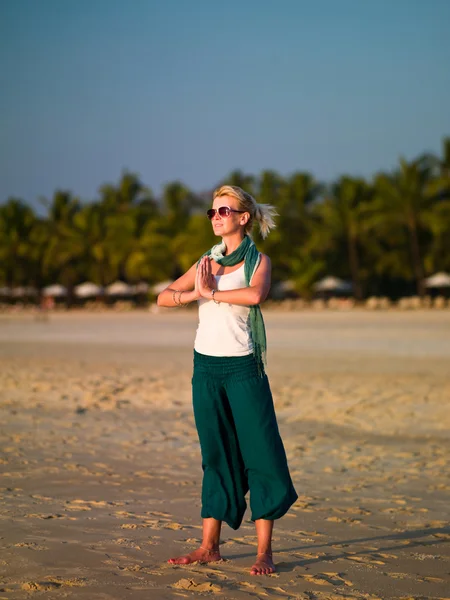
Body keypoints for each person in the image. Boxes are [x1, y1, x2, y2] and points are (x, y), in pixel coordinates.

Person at [157, 185, 298, 575]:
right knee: (215, 455)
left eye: (224, 210)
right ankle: (209, 547)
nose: (216, 216)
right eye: (212, 211)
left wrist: (212, 292)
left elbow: (256, 296)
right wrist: (193, 294)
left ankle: (264, 552)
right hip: (206, 369)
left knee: (260, 454)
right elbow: (163, 297)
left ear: (243, 217)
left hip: (243, 369)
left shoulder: (258, 261)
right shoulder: (206, 261)